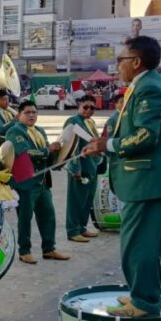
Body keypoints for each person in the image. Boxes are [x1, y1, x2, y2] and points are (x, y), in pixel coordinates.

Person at [82, 35, 161, 317]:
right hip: (149, 180)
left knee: (139, 244)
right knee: (143, 243)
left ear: (136, 62)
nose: (118, 66)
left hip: (149, 181)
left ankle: (144, 302)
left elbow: (145, 136)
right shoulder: (145, 84)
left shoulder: (149, 88)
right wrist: (101, 146)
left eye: (121, 60)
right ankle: (143, 294)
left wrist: (109, 145)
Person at [7, 101, 69, 264]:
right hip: (26, 182)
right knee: (25, 218)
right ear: (19, 114)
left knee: (48, 215)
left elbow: (48, 152)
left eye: (34, 112)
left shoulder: (40, 130)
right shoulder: (15, 131)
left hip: (43, 181)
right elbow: (26, 153)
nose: (32, 115)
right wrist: (48, 150)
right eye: (27, 112)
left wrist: (60, 154)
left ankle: (49, 248)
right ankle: (24, 251)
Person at [63, 95, 101, 242]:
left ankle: (82, 227)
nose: (89, 110)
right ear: (79, 105)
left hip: (91, 166)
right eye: (86, 107)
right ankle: (73, 231)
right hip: (79, 167)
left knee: (86, 200)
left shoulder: (89, 122)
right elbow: (70, 147)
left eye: (92, 108)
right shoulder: (73, 121)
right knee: (75, 200)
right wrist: (75, 169)